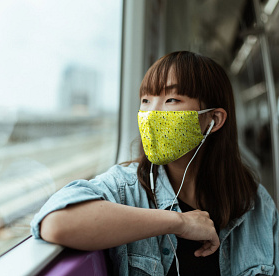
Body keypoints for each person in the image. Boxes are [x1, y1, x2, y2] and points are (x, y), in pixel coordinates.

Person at [30, 51, 279, 275]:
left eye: (171, 100)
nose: (151, 114)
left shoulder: (255, 205)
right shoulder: (127, 188)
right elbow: (56, 222)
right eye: (146, 100)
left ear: (213, 119)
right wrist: (178, 223)